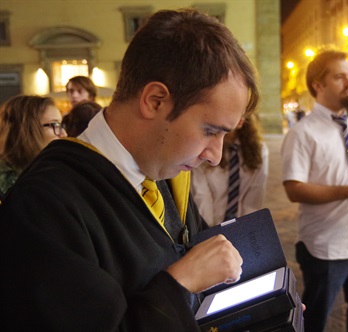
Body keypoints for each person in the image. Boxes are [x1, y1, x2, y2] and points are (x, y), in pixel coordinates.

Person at [0, 9, 259, 331]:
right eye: (210, 130)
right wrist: (180, 283)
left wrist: (258, 309)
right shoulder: (43, 205)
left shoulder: (165, 172)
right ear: (154, 100)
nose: (216, 156)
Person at [281, 49, 348, 332]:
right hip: (326, 245)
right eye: (340, 77)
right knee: (314, 318)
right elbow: (294, 189)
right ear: (318, 84)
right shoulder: (302, 133)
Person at [191, 113, 269, 226]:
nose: (240, 117)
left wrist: (244, 230)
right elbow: (201, 196)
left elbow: (254, 197)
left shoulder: (259, 150)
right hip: (209, 224)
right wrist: (210, 232)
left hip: (243, 226)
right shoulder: (203, 149)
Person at [0, 95, 67, 200]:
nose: (64, 134)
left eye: (61, 125)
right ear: (26, 130)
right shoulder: (15, 184)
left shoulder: (42, 170)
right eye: (54, 124)